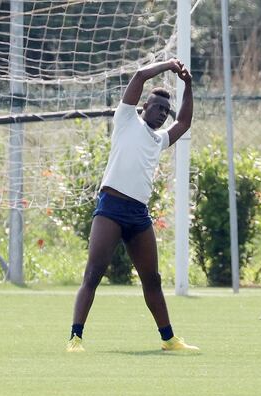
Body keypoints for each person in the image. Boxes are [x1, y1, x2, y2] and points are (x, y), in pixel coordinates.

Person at [66, 58, 196, 352]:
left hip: (138, 215)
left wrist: (188, 85)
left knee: (152, 279)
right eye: (157, 107)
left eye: (166, 109)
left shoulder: (159, 139)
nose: (162, 113)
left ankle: (169, 339)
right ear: (144, 107)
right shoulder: (126, 120)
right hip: (111, 208)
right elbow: (138, 75)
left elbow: (185, 122)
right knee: (94, 273)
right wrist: (168, 66)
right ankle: (75, 337)